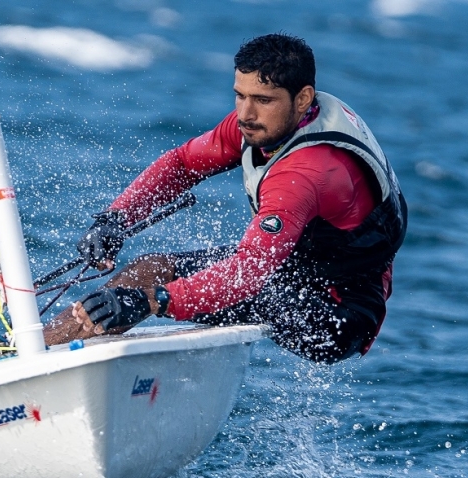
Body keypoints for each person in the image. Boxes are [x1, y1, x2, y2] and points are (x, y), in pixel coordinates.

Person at [43, 33, 407, 363]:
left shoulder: (306, 173)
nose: (246, 114)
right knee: (148, 271)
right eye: (240, 95)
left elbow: (248, 273)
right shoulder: (264, 124)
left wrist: (154, 301)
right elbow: (182, 164)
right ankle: (41, 352)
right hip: (290, 272)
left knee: (146, 288)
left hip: (334, 316)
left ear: (304, 99)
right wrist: (117, 218)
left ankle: (43, 363)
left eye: (263, 100)